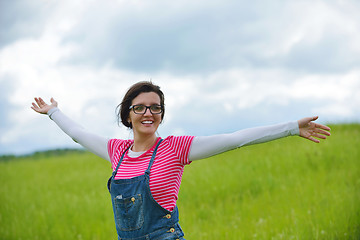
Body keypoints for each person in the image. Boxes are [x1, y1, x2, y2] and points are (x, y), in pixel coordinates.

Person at [31, 81, 331, 240]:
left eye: (155, 107)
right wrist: (54, 111)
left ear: (161, 114)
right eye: (140, 108)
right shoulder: (116, 152)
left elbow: (236, 138)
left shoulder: (176, 148)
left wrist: (291, 127)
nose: (148, 113)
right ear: (127, 115)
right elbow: (78, 133)